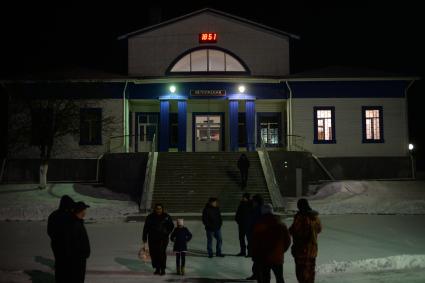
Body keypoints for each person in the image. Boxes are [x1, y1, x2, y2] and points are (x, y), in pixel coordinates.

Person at [252, 203, 291, 283]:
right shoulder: (281, 225)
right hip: (277, 257)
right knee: (279, 278)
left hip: (263, 257)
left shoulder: (258, 226)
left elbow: (254, 243)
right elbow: (287, 241)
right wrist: (280, 251)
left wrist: (255, 255)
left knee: (265, 278)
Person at [289, 199, 322, 283]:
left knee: (301, 274)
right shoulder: (315, 217)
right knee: (310, 273)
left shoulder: (301, 218)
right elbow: (319, 229)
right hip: (312, 250)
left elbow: (295, 231)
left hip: (302, 250)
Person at [47, 195, 75, 283]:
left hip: (56, 244)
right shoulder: (70, 216)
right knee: (67, 266)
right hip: (66, 245)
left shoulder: (53, 215)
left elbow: (49, 231)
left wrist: (55, 239)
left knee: (59, 265)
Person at [142, 203, 174, 275]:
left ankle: (162, 269)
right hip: (152, 238)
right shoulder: (150, 217)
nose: (158, 210)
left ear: (162, 209)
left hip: (163, 238)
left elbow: (171, 226)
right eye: (157, 209)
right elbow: (146, 228)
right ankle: (157, 268)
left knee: (161, 253)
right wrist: (144, 238)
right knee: (154, 253)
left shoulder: (166, 216)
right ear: (155, 209)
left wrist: (167, 232)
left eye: (160, 209)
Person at [69, 201, 91, 283]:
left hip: (80, 257)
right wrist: (81, 253)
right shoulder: (74, 224)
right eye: (84, 210)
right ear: (80, 211)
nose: (85, 212)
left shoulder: (78, 222)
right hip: (77, 258)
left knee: (79, 277)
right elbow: (74, 242)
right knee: (77, 278)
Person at [246, 193, 265, 280]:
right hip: (256, 237)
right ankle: (257, 274)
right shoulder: (259, 210)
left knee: (257, 258)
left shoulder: (257, 210)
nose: (252, 202)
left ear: (256, 202)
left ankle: (257, 274)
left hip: (256, 237)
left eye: (253, 201)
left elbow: (253, 223)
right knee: (257, 258)